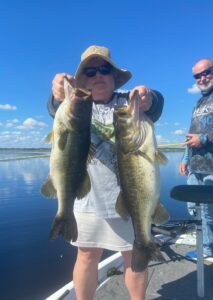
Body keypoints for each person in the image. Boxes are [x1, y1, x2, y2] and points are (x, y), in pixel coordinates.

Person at [48, 45, 165, 300]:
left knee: (132, 253)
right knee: (86, 255)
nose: (98, 75)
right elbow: (56, 109)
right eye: (90, 71)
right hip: (85, 197)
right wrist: (56, 93)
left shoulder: (128, 102)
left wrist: (149, 97)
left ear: (114, 76)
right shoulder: (76, 103)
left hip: (128, 198)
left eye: (104, 69)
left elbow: (155, 105)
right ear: (82, 79)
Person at [179, 58, 213, 286]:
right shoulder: (199, 102)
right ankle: (207, 248)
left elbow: (203, 135)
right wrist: (185, 158)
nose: (201, 78)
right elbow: (192, 133)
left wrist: (205, 139)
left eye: (205, 73)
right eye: (197, 76)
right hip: (196, 167)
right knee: (200, 213)